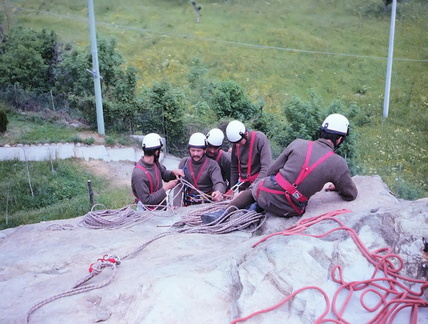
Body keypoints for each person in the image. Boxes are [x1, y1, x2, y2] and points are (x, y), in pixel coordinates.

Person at [202, 113, 358, 222]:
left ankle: (225, 212)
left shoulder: (297, 143)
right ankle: (256, 207)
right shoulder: (338, 163)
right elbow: (351, 194)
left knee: (258, 188)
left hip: (267, 191)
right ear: (339, 139)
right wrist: (337, 186)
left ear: (322, 131)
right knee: (270, 194)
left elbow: (271, 170)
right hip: (290, 207)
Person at [131, 133, 184, 210]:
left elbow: (164, 175)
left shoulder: (155, 163)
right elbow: (147, 201)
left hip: (160, 210)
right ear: (156, 152)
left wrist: (173, 173)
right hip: (146, 214)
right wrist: (166, 187)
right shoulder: (138, 173)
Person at [173, 132, 226, 206]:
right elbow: (179, 184)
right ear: (189, 150)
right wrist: (176, 205)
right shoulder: (184, 162)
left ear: (205, 150)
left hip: (207, 204)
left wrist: (218, 191)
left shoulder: (212, 165)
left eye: (198, 151)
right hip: (188, 203)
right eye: (193, 150)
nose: (195, 154)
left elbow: (218, 182)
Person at [226, 120, 272, 192]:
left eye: (238, 142)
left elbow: (266, 167)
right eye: (234, 143)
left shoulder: (259, 139)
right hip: (243, 186)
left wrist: (251, 188)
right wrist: (232, 189)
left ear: (246, 134)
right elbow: (234, 168)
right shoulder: (237, 142)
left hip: (258, 185)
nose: (237, 145)